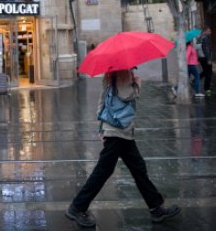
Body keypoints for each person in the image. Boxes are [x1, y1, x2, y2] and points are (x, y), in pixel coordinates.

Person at [66, 68, 181, 227]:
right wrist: (137, 85)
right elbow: (126, 95)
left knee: (137, 167)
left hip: (117, 129)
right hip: (118, 130)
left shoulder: (109, 73)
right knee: (103, 171)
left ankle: (156, 208)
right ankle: (77, 207)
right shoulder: (123, 72)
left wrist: (101, 126)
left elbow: (103, 99)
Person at [198, 27, 213, 96]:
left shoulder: (200, 37)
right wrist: (209, 59)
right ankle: (207, 88)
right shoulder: (205, 38)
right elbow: (206, 49)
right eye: (209, 31)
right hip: (205, 58)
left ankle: (195, 80)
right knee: (208, 73)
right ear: (205, 31)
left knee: (205, 71)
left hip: (201, 58)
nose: (210, 32)